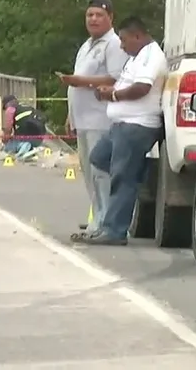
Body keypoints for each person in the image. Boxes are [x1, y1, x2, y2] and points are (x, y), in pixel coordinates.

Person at [72, 16, 166, 245]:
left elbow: (142, 87)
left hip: (137, 124)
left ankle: (114, 230)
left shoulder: (151, 56)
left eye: (124, 40)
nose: (121, 46)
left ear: (137, 36)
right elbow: (128, 84)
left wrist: (113, 95)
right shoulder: (136, 57)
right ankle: (139, 175)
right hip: (121, 125)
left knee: (122, 176)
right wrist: (110, 90)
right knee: (99, 158)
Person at [57, 0, 129, 232]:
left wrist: (79, 81)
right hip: (83, 118)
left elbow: (115, 78)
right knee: (88, 172)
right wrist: (71, 114)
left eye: (99, 15)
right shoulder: (87, 45)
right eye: (90, 15)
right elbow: (77, 83)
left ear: (111, 17)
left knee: (101, 172)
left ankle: (108, 220)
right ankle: (97, 216)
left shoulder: (114, 44)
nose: (94, 19)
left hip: (101, 118)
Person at [1, 95, 46, 160]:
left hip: (25, 136)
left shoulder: (10, 109)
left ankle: (23, 146)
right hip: (39, 136)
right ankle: (30, 148)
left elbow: (8, 129)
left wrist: (5, 139)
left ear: (7, 104)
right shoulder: (27, 107)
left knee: (8, 146)